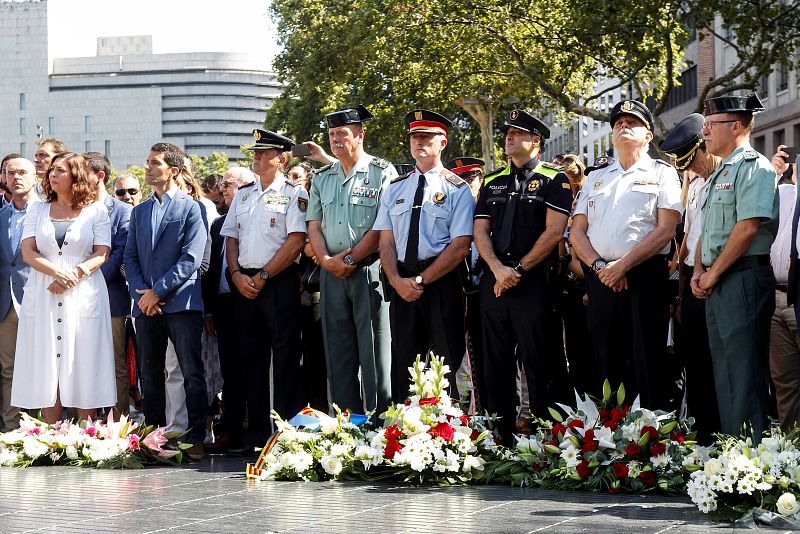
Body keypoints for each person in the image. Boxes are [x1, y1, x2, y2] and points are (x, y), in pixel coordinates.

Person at [570, 99, 683, 408]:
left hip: (644, 277)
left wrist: (623, 266)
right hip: (601, 277)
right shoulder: (596, 177)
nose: (623, 126)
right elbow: (576, 232)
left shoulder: (663, 173)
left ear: (648, 135)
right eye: (618, 122)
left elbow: (666, 229)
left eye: (632, 122)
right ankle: (608, 436)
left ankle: (652, 438)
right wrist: (600, 267)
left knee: (647, 357)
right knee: (605, 358)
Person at [473, 110, 572, 442]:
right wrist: (499, 270)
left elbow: (554, 231)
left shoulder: (553, 179)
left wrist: (518, 270)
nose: (509, 137)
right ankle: (502, 436)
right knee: (496, 363)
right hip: (496, 280)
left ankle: (547, 439)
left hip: (532, 281)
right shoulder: (491, 181)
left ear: (536, 141)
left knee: (539, 360)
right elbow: (480, 232)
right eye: (507, 133)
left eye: (517, 133)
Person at [692, 93, 777, 442]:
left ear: (737, 126)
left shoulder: (753, 167)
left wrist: (712, 273)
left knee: (745, 375)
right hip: (719, 281)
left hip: (742, 277)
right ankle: (734, 455)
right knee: (726, 373)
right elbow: (706, 233)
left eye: (711, 125)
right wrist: (699, 270)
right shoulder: (718, 172)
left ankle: (754, 461)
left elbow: (747, 227)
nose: (706, 132)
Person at [374, 109, 474, 402]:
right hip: (402, 280)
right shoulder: (395, 188)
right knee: (404, 361)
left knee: (447, 361)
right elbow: (386, 239)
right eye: (415, 137)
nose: (420, 143)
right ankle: (401, 431)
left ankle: (453, 430)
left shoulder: (457, 189)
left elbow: (460, 245)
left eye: (427, 138)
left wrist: (420, 279)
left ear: (443, 143)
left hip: (440, 281)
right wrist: (396, 279)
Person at [304, 105, 396, 415]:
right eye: (331, 134)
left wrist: (351, 257)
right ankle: (346, 425)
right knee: (338, 352)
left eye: (342, 133)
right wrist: (327, 260)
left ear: (360, 134)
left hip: (368, 269)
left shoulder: (382, 171)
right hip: (331, 273)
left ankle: (379, 425)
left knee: (373, 352)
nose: (335, 140)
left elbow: (383, 225)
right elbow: (313, 225)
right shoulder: (322, 177)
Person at [11, 152, 114, 423]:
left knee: (83, 357)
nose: (51, 175)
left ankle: (87, 435)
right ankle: (52, 436)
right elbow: (28, 252)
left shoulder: (96, 209)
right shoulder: (38, 208)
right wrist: (58, 272)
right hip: (44, 288)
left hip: (85, 292)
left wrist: (75, 274)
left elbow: (102, 251)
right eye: (51, 170)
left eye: (59, 170)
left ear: (75, 176)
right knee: (48, 361)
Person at [221, 129, 307, 451]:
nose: (256, 157)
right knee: (251, 360)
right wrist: (235, 274)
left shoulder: (294, 193)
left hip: (278, 283)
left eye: (264, 152)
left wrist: (265, 276)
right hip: (244, 284)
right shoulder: (243, 194)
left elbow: (296, 240)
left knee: (286, 358)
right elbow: (231, 237)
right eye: (255, 152)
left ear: (282, 159)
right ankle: (256, 434)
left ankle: (289, 433)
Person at [124, 142, 208, 460]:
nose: (146, 168)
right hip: (146, 304)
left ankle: (195, 436)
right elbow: (130, 259)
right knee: (149, 373)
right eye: (146, 161)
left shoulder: (192, 208)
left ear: (173, 170)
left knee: (190, 371)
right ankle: (153, 436)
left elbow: (191, 259)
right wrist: (143, 294)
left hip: (182, 303)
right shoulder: (140, 211)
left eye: (154, 163)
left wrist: (157, 292)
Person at [660, 113, 721, 442]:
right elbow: (688, 240)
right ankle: (702, 434)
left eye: (692, 160)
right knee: (695, 365)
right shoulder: (695, 185)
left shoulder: (727, 176)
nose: (690, 168)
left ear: (704, 146)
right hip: (691, 281)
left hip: (719, 277)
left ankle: (722, 437)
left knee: (719, 367)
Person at [202, 167, 256, 454]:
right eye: (221, 184)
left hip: (249, 301)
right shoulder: (218, 224)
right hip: (222, 308)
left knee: (252, 370)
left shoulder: (255, 219)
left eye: (228, 184)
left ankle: (255, 432)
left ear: (247, 187)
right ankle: (230, 431)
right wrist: (209, 311)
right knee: (230, 373)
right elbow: (211, 269)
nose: (222, 189)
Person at [83, 152, 133, 418]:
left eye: (83, 172)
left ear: (100, 176)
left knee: (115, 365)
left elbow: (121, 254)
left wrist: (89, 280)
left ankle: (119, 423)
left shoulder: (123, 211)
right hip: (76, 299)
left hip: (111, 298)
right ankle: (84, 424)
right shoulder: (75, 208)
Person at [444, 156, 486, 412]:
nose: (465, 184)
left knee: (485, 359)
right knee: (457, 360)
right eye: (459, 179)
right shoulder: (446, 206)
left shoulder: (490, 205)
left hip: (485, 292)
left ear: (480, 179)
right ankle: (461, 413)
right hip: (455, 290)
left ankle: (484, 414)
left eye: (470, 178)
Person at [0, 157, 38, 430]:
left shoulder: (49, 212)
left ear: (36, 177)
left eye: (22, 172)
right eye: (10, 173)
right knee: (7, 369)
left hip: (39, 299)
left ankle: (42, 430)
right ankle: (10, 430)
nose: (16, 177)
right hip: (5, 304)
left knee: (42, 367)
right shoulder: (0, 216)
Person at [771, 144, 799, 431]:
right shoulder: (781, 193)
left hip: (798, 296)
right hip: (776, 297)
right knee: (784, 382)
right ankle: (790, 454)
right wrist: (773, 173)